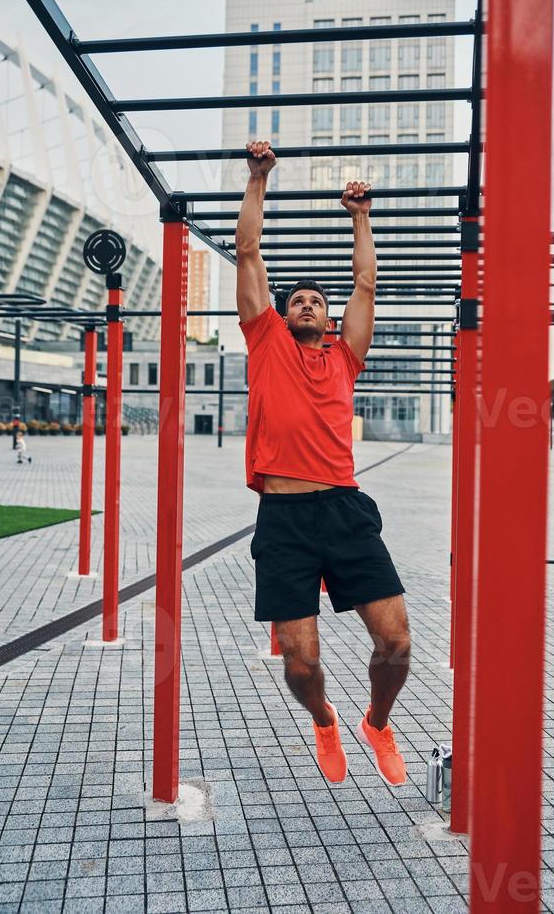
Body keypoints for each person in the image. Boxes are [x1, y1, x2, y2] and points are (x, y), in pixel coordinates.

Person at [236, 140, 411, 787]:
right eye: (297, 300)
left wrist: (359, 215)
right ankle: (326, 721)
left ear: (331, 318)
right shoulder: (264, 342)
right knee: (301, 666)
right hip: (283, 516)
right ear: (281, 315)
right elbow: (248, 252)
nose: (306, 303)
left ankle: (378, 723)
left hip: (343, 507)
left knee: (396, 644)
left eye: (317, 300)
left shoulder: (345, 356)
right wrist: (259, 179)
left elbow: (366, 282)